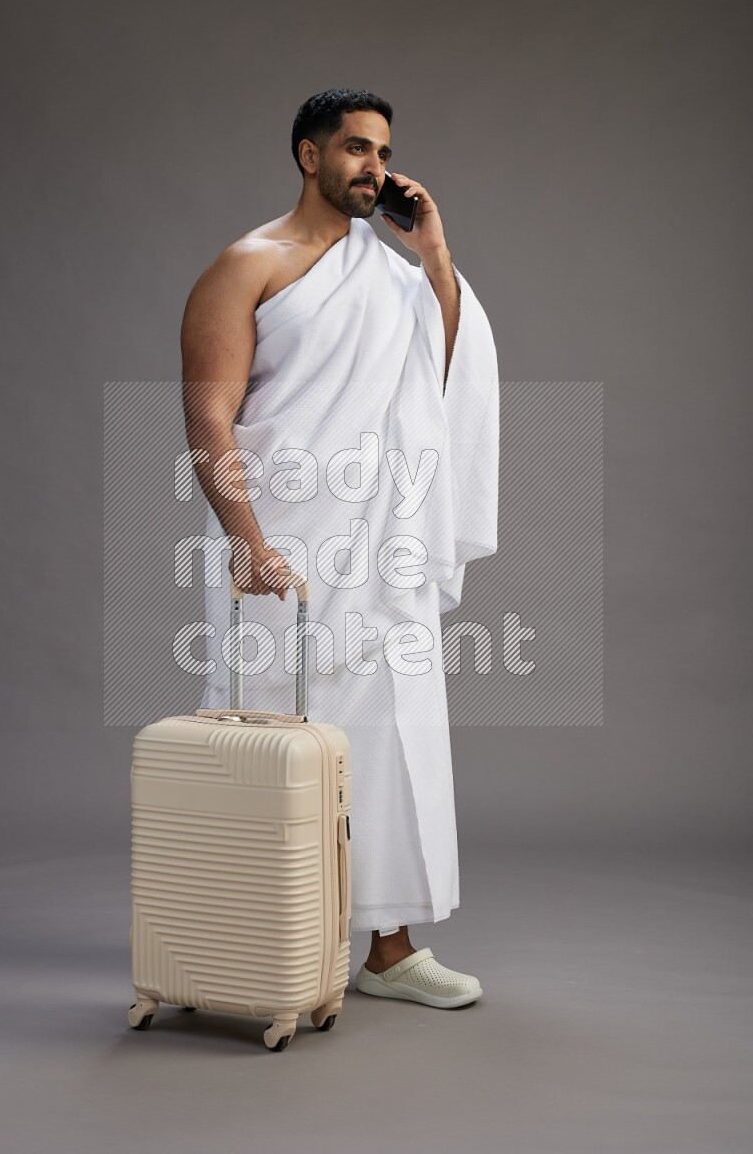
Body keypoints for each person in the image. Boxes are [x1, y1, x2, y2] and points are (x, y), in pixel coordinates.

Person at [180, 88, 498, 1009]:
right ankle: (246, 940)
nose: (374, 166)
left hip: (381, 546)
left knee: (391, 734)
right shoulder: (247, 265)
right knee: (266, 733)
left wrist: (433, 252)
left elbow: (444, 377)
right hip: (279, 543)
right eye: (355, 148)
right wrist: (246, 540)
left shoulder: (396, 273)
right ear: (307, 155)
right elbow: (209, 415)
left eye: (384, 151)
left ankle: (391, 951)